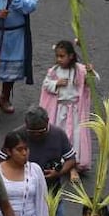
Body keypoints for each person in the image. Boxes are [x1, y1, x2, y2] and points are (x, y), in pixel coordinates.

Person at [39, 41, 94, 171]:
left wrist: (89, 72)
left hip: (75, 111)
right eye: (57, 56)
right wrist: (56, 83)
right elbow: (46, 84)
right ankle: (60, 161)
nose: (59, 59)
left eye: (62, 56)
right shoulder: (54, 71)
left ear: (70, 56)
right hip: (60, 111)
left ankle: (73, 164)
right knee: (61, 134)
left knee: (75, 135)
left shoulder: (79, 69)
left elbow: (87, 82)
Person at [0, 131, 49, 216]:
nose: (24, 153)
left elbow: (43, 201)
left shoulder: (35, 170)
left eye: (26, 149)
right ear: (8, 151)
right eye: (19, 149)